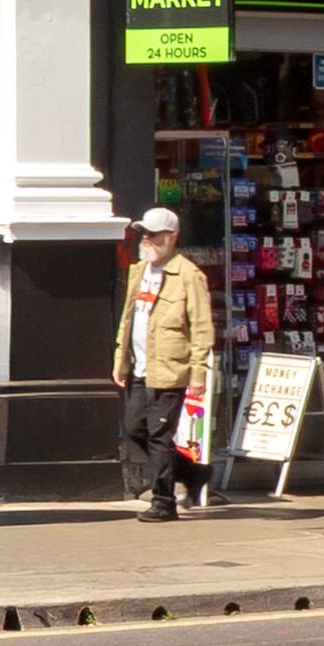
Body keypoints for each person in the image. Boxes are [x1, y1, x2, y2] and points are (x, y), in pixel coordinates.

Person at [115, 209, 215, 517]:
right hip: (141, 368)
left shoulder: (188, 276)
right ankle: (189, 472)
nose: (146, 238)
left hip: (170, 369)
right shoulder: (138, 271)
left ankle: (163, 502)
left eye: (153, 234)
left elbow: (201, 327)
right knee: (134, 429)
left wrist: (198, 374)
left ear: (171, 239)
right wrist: (120, 358)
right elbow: (128, 318)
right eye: (144, 232)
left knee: (159, 436)